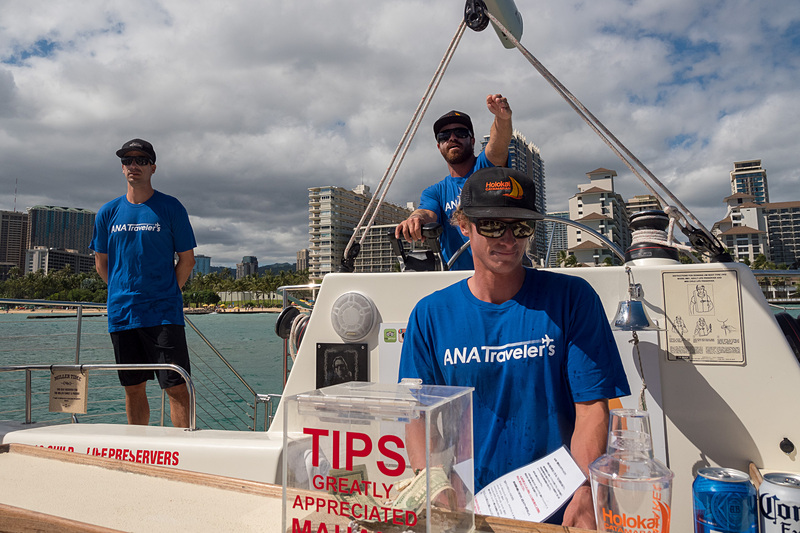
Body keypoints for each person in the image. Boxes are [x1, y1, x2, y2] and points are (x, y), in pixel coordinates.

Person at [398, 166, 630, 528]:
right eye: (492, 225)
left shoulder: (573, 299)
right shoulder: (429, 315)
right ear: (463, 224)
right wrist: (434, 486)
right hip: (470, 512)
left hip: (562, 511)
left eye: (520, 226)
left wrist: (587, 489)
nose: (508, 239)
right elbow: (419, 416)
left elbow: (591, 408)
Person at [90, 139, 197, 428]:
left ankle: (182, 453)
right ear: (122, 168)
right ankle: (140, 451)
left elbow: (187, 261)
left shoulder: (170, 208)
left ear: (153, 167)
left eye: (140, 160)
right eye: (127, 160)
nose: (133, 165)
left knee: (175, 386)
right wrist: (121, 291)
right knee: (133, 386)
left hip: (163, 313)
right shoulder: (107, 213)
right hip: (122, 314)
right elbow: (102, 264)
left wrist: (167, 291)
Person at [395, 94, 513, 270]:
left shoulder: (486, 169)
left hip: (503, 274)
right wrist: (415, 218)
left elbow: (498, 145)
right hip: (458, 281)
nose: (452, 138)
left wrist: (502, 119)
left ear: (472, 141)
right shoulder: (435, 192)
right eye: (444, 136)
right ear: (439, 146)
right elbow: (427, 213)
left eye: (460, 133)